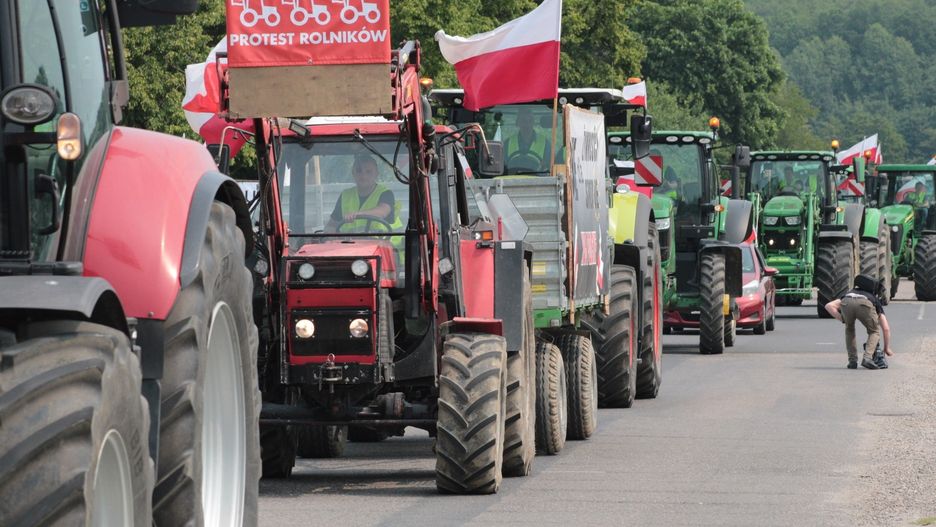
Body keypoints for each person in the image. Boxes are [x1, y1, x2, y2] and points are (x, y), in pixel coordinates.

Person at [824, 274, 894, 369]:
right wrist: (886, 348)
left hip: (846, 302)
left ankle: (852, 361)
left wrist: (843, 319)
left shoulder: (849, 293)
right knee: (874, 332)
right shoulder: (873, 298)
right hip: (865, 304)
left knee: (849, 330)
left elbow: (828, 306)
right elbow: (886, 329)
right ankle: (867, 358)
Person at [325, 155, 401, 234]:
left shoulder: (386, 193)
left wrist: (357, 214)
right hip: (351, 242)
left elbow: (382, 212)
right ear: (353, 173)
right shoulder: (345, 195)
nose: (363, 176)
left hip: (386, 241)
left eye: (368, 172)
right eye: (359, 171)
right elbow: (331, 225)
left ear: (376, 174)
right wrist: (331, 234)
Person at [504, 107, 549, 173]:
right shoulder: (507, 143)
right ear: (518, 123)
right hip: (512, 178)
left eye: (530, 121)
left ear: (533, 122)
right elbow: (502, 167)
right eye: (523, 121)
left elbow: (549, 166)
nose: (527, 124)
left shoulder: (545, 143)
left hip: (538, 178)